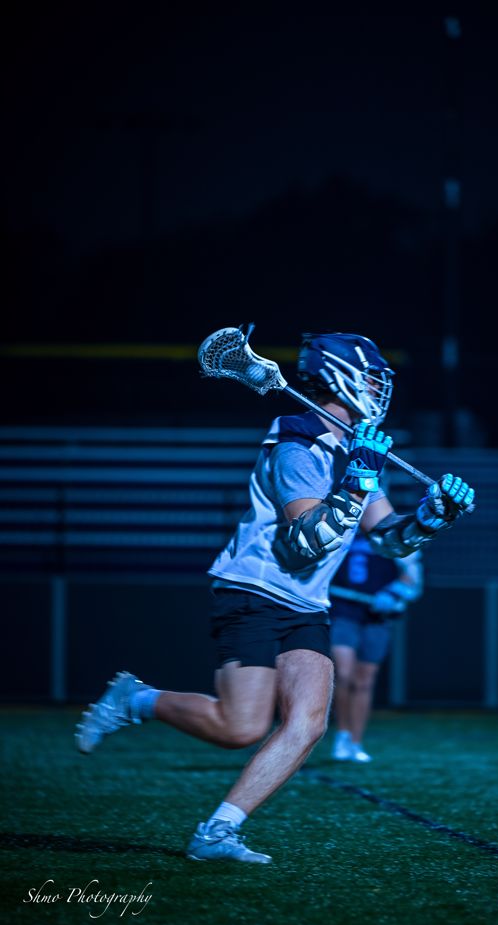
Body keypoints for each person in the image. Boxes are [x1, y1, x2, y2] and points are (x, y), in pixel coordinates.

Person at [75, 331, 475, 864]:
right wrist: (358, 479)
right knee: (239, 728)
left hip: (306, 604)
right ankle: (136, 699)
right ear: (338, 377)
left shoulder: (352, 447)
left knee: (308, 722)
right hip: (255, 591)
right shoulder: (297, 443)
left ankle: (217, 831)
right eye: (371, 377)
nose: (380, 388)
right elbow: (305, 541)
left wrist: (431, 516)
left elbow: (386, 539)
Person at [330, 533, 423, 763]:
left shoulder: (393, 533)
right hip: (342, 612)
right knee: (343, 673)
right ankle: (342, 733)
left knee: (364, 680)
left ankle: (356, 742)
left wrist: (394, 593)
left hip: (377, 616)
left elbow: (412, 576)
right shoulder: (343, 528)